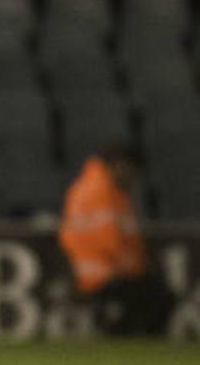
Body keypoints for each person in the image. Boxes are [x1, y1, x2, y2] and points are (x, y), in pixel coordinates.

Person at [60, 143, 176, 336]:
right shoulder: (101, 192)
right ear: (119, 165)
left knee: (152, 295)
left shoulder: (103, 190)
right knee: (159, 296)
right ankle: (126, 336)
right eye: (131, 171)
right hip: (102, 274)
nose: (133, 178)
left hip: (101, 272)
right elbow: (110, 241)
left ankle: (126, 335)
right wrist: (138, 269)